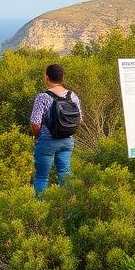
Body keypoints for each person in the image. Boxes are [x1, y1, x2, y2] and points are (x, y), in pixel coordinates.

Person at [29, 64, 82, 195]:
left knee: (42, 177)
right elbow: (80, 119)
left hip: (47, 141)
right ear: (62, 78)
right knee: (65, 174)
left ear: (46, 77)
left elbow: (35, 123)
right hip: (67, 141)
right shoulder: (72, 95)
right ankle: (69, 209)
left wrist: (38, 136)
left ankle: (40, 210)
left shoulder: (43, 97)